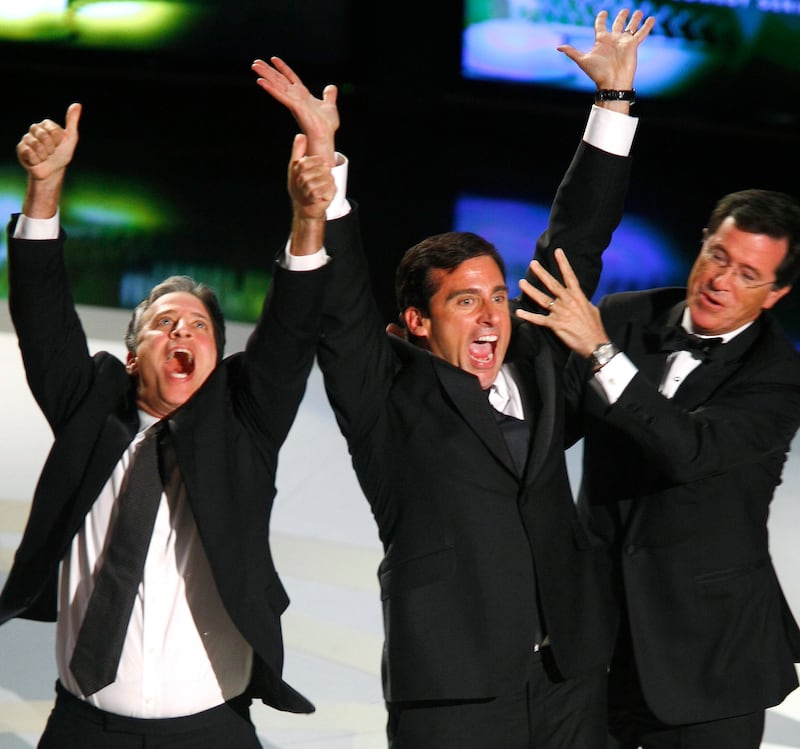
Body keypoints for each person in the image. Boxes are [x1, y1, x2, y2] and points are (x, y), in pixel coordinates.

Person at [254, 8, 654, 747]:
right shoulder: (387, 396)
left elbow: (577, 242)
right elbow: (341, 312)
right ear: (416, 321)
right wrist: (326, 161)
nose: (491, 318)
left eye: (497, 298)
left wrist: (613, 104)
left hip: (569, 680)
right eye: (465, 302)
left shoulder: (536, 368)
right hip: (454, 694)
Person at [0, 101, 341, 747]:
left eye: (200, 326)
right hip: (84, 727)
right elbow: (44, 318)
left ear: (217, 356)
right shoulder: (91, 406)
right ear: (132, 356)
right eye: (164, 322)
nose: (182, 329)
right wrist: (44, 188)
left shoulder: (245, 420)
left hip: (211, 729)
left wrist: (307, 219)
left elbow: (292, 331)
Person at [516, 189, 800, 748]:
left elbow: (689, 451)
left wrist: (600, 355)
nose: (722, 281)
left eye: (748, 274)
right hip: (596, 642)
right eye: (719, 256)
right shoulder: (626, 319)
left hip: (709, 661)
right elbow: (546, 433)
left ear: (776, 294)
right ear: (702, 244)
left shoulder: (778, 379)